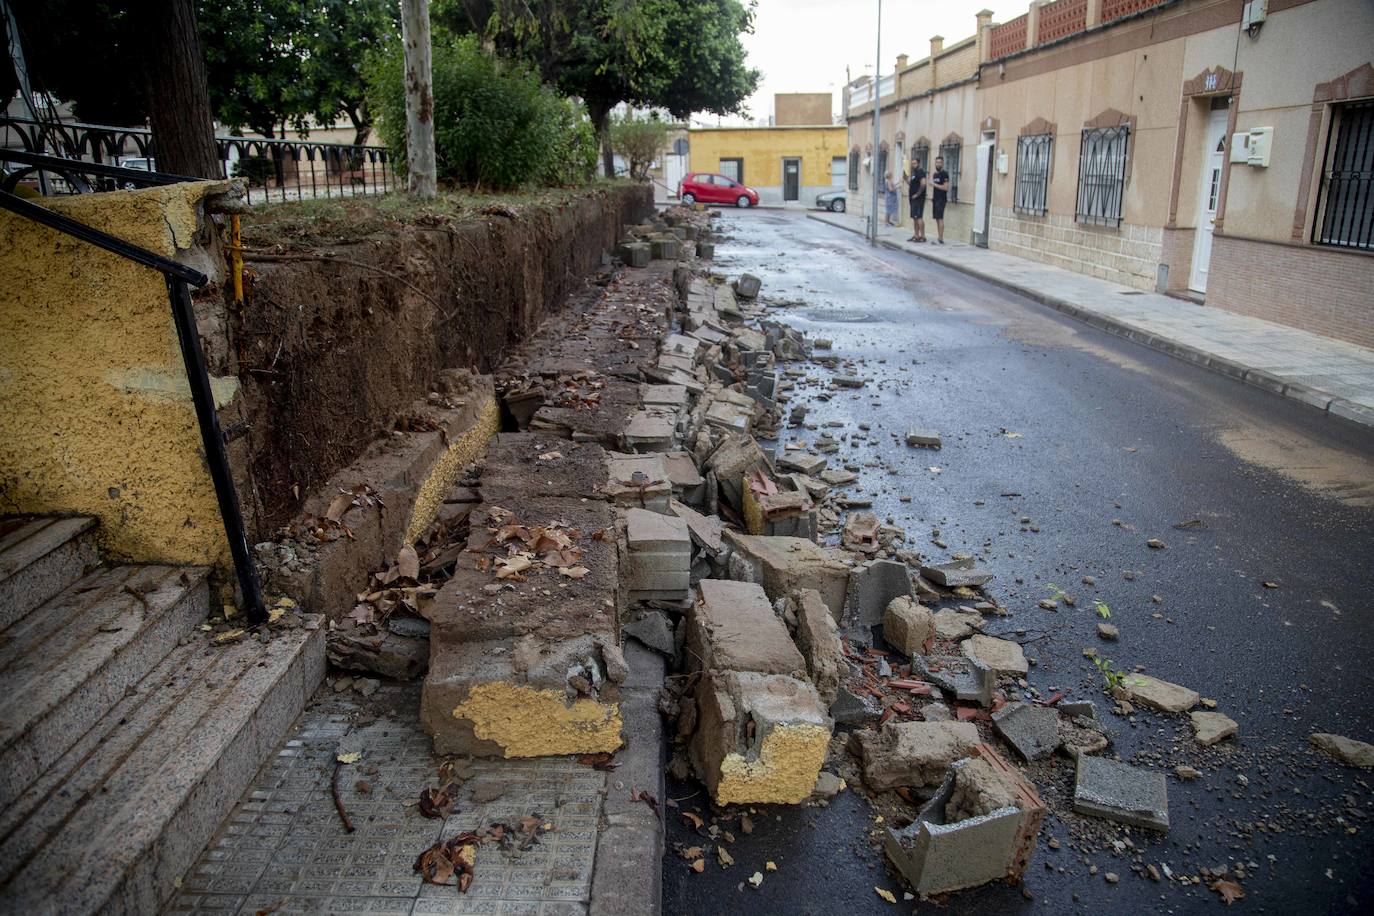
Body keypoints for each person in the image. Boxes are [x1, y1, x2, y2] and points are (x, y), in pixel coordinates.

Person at [929, 155, 951, 244]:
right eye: (937, 162)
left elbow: (946, 188)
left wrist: (934, 185)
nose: (938, 164)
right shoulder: (935, 174)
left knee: (940, 218)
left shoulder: (944, 174)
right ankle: (939, 237)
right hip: (935, 199)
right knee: (937, 218)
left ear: (942, 164)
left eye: (940, 162)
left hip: (941, 199)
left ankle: (941, 238)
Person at [906, 156, 927, 242]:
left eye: (914, 163)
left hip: (919, 199)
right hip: (913, 199)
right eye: (912, 163)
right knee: (914, 217)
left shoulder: (920, 172)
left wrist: (917, 194)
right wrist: (905, 179)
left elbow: (923, 184)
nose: (913, 165)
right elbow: (911, 184)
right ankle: (916, 235)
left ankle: (923, 236)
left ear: (918, 163)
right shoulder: (914, 173)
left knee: (919, 217)